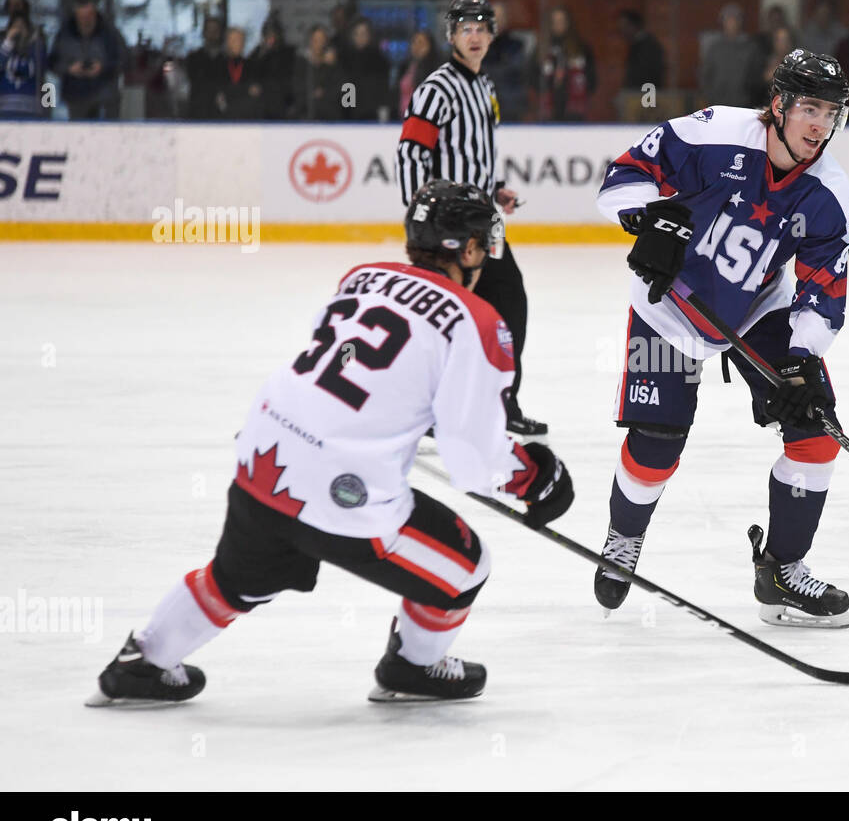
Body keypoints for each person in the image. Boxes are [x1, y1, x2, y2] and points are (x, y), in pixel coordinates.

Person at [87, 180, 574, 707]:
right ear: (472, 249)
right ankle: (413, 666)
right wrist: (535, 476)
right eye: (485, 242)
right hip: (343, 493)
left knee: (237, 579)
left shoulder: (360, 277)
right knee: (466, 566)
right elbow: (472, 459)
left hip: (264, 455)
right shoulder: (479, 321)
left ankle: (142, 663)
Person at [592, 50, 849, 628]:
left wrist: (803, 358)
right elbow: (624, 174)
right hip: (669, 306)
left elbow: (824, 289)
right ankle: (623, 537)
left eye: (830, 111)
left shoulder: (830, 195)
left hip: (758, 309)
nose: (820, 124)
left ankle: (783, 571)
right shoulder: (715, 133)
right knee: (657, 442)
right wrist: (648, 219)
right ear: (780, 104)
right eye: (809, 107)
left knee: (816, 431)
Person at [395, 0, 547, 437]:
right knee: (441, 319)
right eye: (466, 29)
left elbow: (478, 152)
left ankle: (503, 404)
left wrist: (496, 188)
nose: (475, 36)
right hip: (447, 229)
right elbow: (410, 153)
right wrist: (420, 220)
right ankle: (423, 410)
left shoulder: (485, 86)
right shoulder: (436, 88)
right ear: (451, 36)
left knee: (509, 306)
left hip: (484, 223)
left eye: (482, 28)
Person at [49, 0, 123, 119]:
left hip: (104, 98)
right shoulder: (65, 35)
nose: (86, 21)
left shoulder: (109, 34)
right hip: (75, 97)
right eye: (82, 17)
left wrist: (103, 68)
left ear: (94, 14)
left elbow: (123, 60)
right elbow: (52, 63)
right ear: (76, 15)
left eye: (89, 16)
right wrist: (69, 69)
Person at [535, 5, 596, 121]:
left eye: (561, 21)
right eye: (555, 21)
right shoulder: (542, 48)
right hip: (548, 110)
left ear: (568, 23)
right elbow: (532, 75)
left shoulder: (581, 48)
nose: (558, 25)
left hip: (575, 109)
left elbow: (591, 77)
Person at [698, 3, 764, 108]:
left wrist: (748, 95)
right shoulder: (715, 48)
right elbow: (705, 74)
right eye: (728, 20)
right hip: (717, 103)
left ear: (741, 22)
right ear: (722, 22)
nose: (731, 23)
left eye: (735, 19)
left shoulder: (751, 47)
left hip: (743, 103)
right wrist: (710, 95)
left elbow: (757, 76)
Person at [338, 16, 391, 120]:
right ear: (351, 36)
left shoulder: (380, 60)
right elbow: (345, 86)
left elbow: (383, 90)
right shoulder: (344, 59)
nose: (360, 37)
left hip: (372, 113)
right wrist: (347, 111)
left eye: (364, 33)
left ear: (370, 35)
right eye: (356, 34)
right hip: (349, 114)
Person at [249, 15, 300, 119]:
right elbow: (251, 74)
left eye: (273, 34)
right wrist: (262, 55)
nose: (271, 38)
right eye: (268, 35)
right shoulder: (258, 53)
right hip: (261, 104)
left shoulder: (289, 53)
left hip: (284, 103)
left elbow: (294, 80)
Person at [0, 4, 46, 118]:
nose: (18, 31)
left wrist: (33, 41)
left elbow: (39, 69)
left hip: (31, 109)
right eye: (15, 27)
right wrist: (8, 42)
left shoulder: (36, 49)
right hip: (5, 109)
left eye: (22, 27)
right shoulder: (4, 49)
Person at [213, 26, 263, 119]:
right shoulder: (217, 65)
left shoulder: (252, 65)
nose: (237, 43)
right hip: (221, 121)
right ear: (227, 42)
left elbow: (255, 91)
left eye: (240, 40)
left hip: (247, 119)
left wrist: (232, 92)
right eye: (233, 40)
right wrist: (244, 90)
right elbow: (217, 93)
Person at [298, 23, 343, 120]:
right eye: (316, 40)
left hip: (330, 118)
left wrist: (330, 65)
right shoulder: (302, 64)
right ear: (310, 41)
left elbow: (344, 91)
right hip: (306, 117)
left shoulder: (334, 65)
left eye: (322, 40)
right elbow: (297, 89)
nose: (319, 44)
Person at [184, 16, 225, 119]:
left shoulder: (227, 60)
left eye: (215, 30)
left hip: (221, 117)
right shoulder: (194, 59)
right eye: (209, 30)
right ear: (204, 33)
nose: (212, 34)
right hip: (198, 114)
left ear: (220, 33)